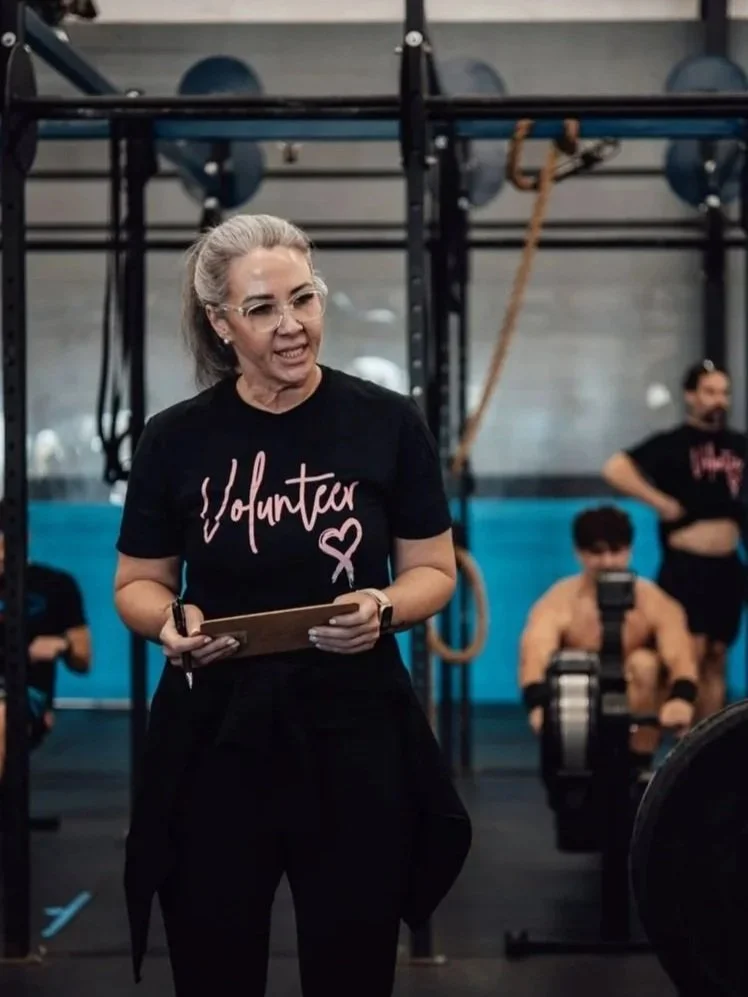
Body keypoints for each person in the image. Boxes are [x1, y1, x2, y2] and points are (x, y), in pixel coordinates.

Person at [113, 213, 471, 997]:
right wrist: (168, 623)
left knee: (352, 963)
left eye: (303, 300)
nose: (291, 327)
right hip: (216, 734)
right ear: (221, 323)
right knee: (214, 961)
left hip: (352, 728)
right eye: (263, 309)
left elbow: (434, 571)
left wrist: (383, 603)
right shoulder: (175, 440)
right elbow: (137, 580)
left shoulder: (387, 423)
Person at [602, 360, 747, 720]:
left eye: (724, 393)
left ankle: (707, 747)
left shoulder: (739, 446)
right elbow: (615, 468)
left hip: (727, 568)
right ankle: (683, 748)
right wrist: (660, 502)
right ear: (690, 396)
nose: (719, 400)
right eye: (710, 392)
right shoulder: (672, 444)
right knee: (689, 655)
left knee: (717, 656)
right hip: (687, 567)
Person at [519, 506, 698, 773]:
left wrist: (681, 699)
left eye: (616, 551)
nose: (608, 562)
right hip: (580, 708)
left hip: (636, 701)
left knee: (644, 663)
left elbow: (679, 653)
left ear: (629, 550)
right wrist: (537, 705)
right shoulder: (558, 600)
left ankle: (638, 766)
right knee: (571, 669)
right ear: (579, 553)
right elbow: (536, 652)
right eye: (597, 552)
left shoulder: (653, 600)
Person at [0, 499, 91, 780]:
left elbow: (83, 659)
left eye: (4, 547)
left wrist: (61, 644)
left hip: (25, 696)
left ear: (23, 538)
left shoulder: (55, 585)